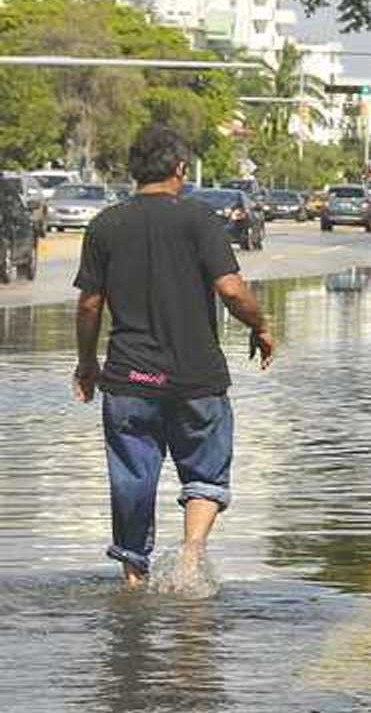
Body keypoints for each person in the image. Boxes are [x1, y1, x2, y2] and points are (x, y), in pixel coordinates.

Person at [73, 125, 276, 587]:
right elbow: (231, 289)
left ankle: (132, 580)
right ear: (180, 169)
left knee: (132, 479)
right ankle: (190, 557)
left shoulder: (105, 224)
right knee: (205, 472)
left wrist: (87, 363)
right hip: (195, 378)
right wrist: (260, 326)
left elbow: (89, 305)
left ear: (133, 170)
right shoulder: (200, 220)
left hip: (128, 379)